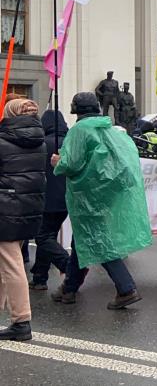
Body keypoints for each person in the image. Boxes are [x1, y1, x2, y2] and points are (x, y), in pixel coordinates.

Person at [51, 92, 151, 309]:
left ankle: (126, 288)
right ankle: (68, 289)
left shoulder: (80, 130)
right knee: (83, 239)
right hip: (106, 195)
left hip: (88, 196)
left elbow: (72, 164)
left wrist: (58, 161)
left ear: (76, 108)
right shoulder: (110, 129)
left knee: (98, 241)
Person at [0, 99, 46, 341]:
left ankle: (21, 320)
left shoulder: (3, 140)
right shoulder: (38, 142)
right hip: (27, 207)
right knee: (7, 262)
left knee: (12, 264)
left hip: (5, 208)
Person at [28, 110, 70, 291]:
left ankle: (68, 265)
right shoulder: (70, 144)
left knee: (43, 236)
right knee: (48, 235)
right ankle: (39, 277)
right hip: (66, 199)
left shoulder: (41, 144)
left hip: (46, 199)